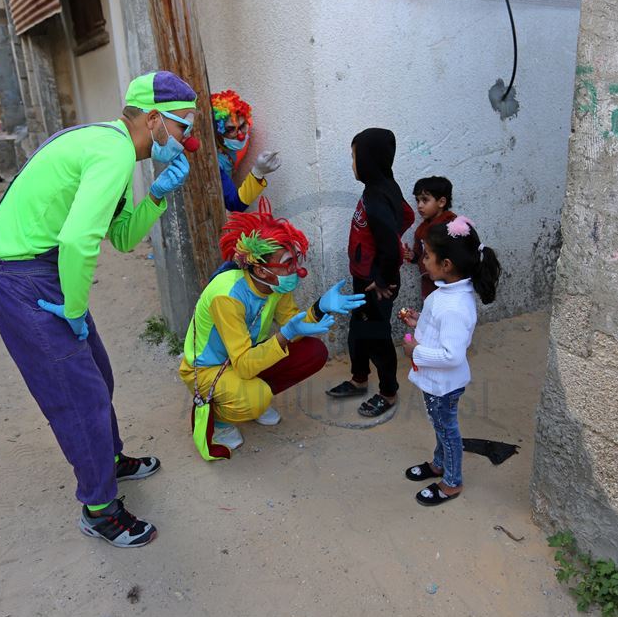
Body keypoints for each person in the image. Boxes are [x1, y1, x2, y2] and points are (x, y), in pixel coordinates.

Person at [0, 71, 198, 547]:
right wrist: (73, 310)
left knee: (98, 375)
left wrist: (158, 195)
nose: (187, 139)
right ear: (155, 120)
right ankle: (99, 509)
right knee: (79, 398)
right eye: (183, 126)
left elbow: (120, 237)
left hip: (40, 268)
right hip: (20, 276)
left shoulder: (113, 146)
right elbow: (78, 241)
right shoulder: (114, 153)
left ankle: (110, 459)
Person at [180, 198, 365, 459]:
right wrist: (285, 335)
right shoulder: (228, 296)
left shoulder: (274, 285)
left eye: (294, 260)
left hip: (244, 356)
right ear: (260, 269)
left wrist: (320, 307)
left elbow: (294, 324)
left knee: (313, 351)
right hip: (209, 369)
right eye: (288, 263)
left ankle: (253, 396)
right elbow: (245, 363)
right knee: (255, 396)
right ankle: (220, 416)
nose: (296, 270)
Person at [399, 215, 502, 506]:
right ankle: (438, 464)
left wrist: (415, 351)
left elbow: (451, 354)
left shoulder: (457, 306)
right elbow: (440, 330)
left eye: (428, 255)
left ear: (447, 265)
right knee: (440, 426)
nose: (423, 260)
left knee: (447, 429)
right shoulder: (446, 293)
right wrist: (420, 322)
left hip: (443, 385)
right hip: (436, 383)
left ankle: (452, 483)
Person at [325, 128, 414, 418]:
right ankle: (359, 378)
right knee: (358, 333)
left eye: (354, 157)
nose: (352, 164)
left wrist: (383, 278)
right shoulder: (381, 186)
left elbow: (390, 243)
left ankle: (388, 392)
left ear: (368, 160)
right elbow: (406, 215)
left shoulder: (377, 197)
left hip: (377, 283)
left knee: (377, 337)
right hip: (365, 277)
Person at [211, 89, 281, 212]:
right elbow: (235, 204)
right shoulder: (213, 162)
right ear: (216, 133)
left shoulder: (230, 145)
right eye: (231, 129)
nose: (240, 135)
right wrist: (258, 172)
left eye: (242, 126)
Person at [403, 176, 458, 300]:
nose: (419, 206)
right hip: (428, 283)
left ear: (441, 202)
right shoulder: (421, 229)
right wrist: (412, 255)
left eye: (425, 200)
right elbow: (419, 254)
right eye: (417, 201)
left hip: (448, 284)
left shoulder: (452, 226)